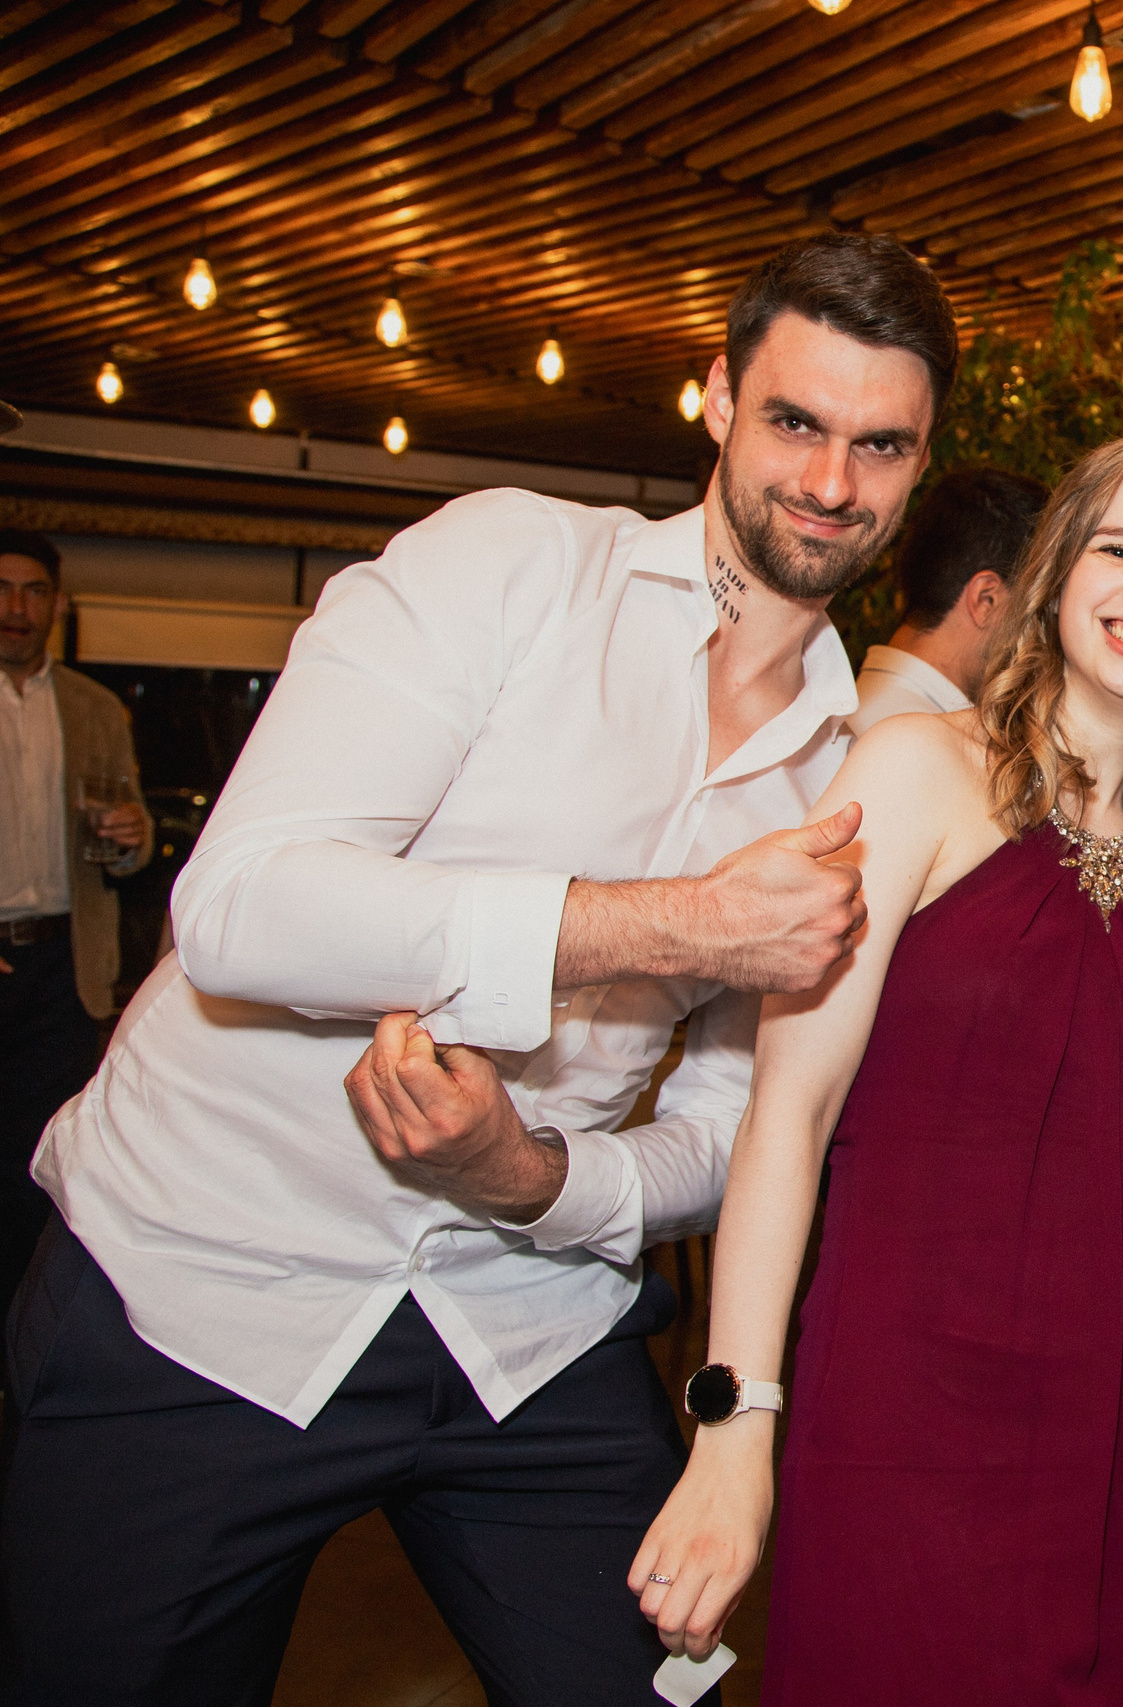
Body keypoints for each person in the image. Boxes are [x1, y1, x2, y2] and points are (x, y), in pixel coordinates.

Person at [2, 232, 957, 1705]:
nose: (832, 481)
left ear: (920, 461)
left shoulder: (852, 768)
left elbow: (734, 1127)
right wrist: (676, 924)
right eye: (795, 421)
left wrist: (533, 1178)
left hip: (524, 1317)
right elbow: (241, 908)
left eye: (879, 444)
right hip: (198, 1288)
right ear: (717, 398)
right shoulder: (507, 565)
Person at [629, 431, 1123, 1706]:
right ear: (1053, 574)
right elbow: (788, 1113)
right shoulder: (915, 772)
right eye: (1116, 548)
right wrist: (732, 1430)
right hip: (908, 1400)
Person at [0, 529, 149, 1314]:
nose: (16, 607)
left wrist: (132, 835)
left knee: (40, 1163)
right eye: (3, 588)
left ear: (56, 605)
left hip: (63, 968)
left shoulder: (94, 706)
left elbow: (129, 844)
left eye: (33, 591)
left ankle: (25, 1330)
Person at [848, 462, 1048, 736]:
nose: (1044, 639)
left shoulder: (860, 713)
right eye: (1038, 611)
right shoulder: (924, 739)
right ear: (986, 600)